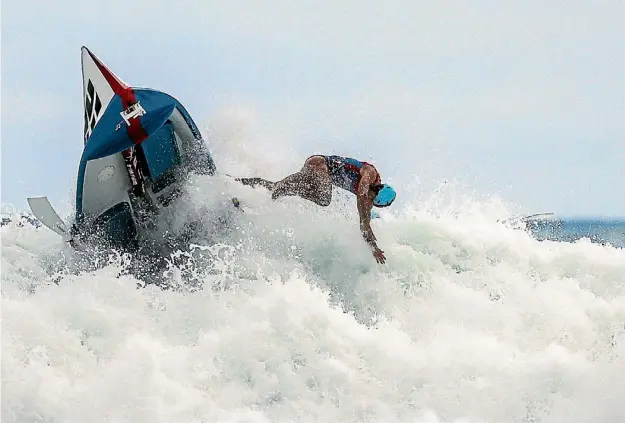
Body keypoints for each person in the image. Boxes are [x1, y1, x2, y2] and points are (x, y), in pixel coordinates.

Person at [235, 155, 396, 264]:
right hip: (319, 164)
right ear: (377, 189)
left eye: (371, 202)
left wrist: (374, 248)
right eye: (371, 197)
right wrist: (363, 204)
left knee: (276, 189)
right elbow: (362, 188)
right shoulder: (371, 173)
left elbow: (364, 225)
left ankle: (235, 186)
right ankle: (242, 185)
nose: (368, 200)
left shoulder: (366, 199)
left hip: (319, 176)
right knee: (325, 199)